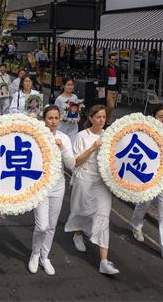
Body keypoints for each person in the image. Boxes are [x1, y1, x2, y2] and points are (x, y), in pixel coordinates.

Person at [65, 105, 119, 275]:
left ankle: (104, 261)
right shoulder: (82, 136)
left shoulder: (109, 136)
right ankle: (78, 234)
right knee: (80, 211)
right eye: (98, 117)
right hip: (84, 179)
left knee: (103, 217)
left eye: (104, 117)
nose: (102, 120)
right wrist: (92, 148)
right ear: (90, 118)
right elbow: (76, 162)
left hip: (102, 182)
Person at [131, 104, 163, 265]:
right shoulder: (145, 133)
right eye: (160, 116)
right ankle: (136, 224)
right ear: (153, 117)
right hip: (150, 179)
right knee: (144, 204)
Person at [28, 105, 75, 275]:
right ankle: (34, 253)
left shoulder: (64, 138)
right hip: (40, 186)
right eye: (50, 118)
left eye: (56, 118)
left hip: (58, 186)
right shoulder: (36, 136)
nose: (53, 122)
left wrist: (62, 147)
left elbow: (71, 165)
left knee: (52, 225)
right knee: (42, 225)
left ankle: (44, 256)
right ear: (44, 119)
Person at [55, 78, 80, 144]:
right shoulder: (59, 99)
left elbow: (76, 111)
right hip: (62, 128)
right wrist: (62, 118)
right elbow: (55, 113)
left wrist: (77, 117)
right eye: (68, 85)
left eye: (72, 85)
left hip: (73, 127)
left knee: (72, 146)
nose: (70, 87)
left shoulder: (75, 97)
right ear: (63, 86)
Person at [100, 52, 121, 125]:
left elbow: (119, 80)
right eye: (112, 59)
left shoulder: (117, 69)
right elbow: (102, 80)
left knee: (112, 107)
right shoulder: (105, 69)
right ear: (109, 60)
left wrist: (119, 90)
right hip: (108, 89)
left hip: (115, 89)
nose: (114, 61)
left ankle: (107, 121)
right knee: (111, 106)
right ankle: (102, 116)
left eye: (115, 59)